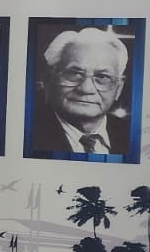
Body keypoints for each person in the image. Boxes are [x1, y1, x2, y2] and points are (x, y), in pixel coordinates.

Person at [31, 27, 131, 156]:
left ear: (119, 89)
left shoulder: (133, 135)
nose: (86, 89)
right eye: (74, 74)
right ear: (48, 80)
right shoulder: (26, 132)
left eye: (102, 77)